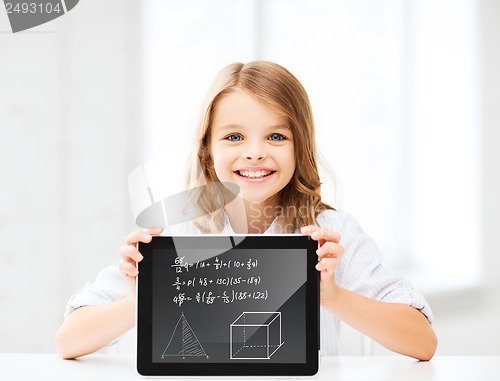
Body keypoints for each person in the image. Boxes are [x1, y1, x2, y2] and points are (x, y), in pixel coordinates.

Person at [55, 61, 437, 361]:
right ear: (208, 150)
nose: (254, 152)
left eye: (276, 136)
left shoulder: (329, 232)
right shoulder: (173, 232)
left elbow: (423, 341)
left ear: (299, 146)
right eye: (234, 136)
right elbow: (69, 340)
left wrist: (333, 297)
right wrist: (145, 299)